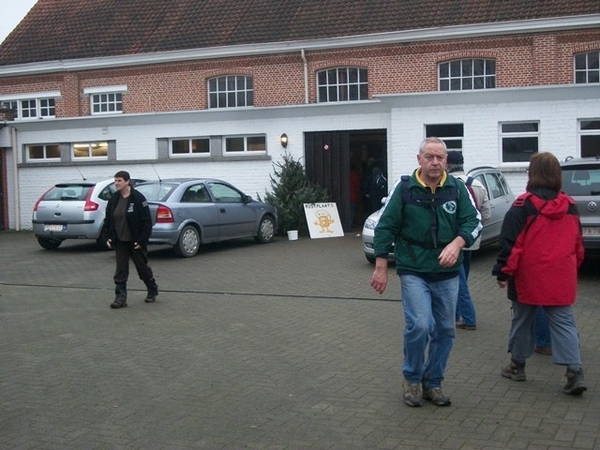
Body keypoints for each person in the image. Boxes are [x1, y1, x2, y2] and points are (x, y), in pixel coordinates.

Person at [370, 137, 481, 407]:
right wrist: (381, 266)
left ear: (446, 161)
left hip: (447, 273)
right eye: (429, 157)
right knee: (420, 325)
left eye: (440, 157)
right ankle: (412, 379)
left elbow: (474, 220)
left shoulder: (457, 188)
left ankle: (433, 382)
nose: (435, 162)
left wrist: (458, 243)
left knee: (445, 330)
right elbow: (385, 226)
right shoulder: (405, 188)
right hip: (413, 269)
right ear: (419, 159)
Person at [492, 152, 586, 396]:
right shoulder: (571, 206)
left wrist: (503, 272)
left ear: (531, 173)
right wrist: (571, 268)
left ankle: (517, 366)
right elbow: (578, 244)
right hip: (561, 274)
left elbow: (511, 244)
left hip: (528, 276)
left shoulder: (523, 205)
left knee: (522, 320)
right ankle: (574, 371)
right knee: (564, 322)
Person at [446, 150, 491, 330]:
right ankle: (456, 315)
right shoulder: (478, 184)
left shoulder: (449, 185)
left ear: (448, 165)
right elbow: (486, 214)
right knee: (462, 276)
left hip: (454, 241)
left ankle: (469, 317)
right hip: (472, 240)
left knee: (459, 281)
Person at [103, 170, 158, 309]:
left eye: (119, 181)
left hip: (135, 241)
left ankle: (152, 289)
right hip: (120, 241)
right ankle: (120, 298)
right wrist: (108, 237)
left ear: (127, 181)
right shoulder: (114, 199)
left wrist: (142, 241)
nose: (116, 183)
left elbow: (147, 222)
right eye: (115, 181)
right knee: (120, 269)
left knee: (142, 267)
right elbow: (108, 220)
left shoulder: (138, 198)